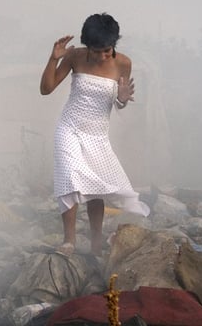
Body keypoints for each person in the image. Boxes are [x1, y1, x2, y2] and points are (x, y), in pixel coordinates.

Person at [40, 13, 150, 257]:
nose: (102, 56)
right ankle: (69, 241)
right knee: (69, 178)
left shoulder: (123, 63)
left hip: (97, 135)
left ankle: (96, 244)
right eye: (96, 51)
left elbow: (120, 104)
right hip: (69, 128)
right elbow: (46, 89)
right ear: (86, 46)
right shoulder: (74, 56)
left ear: (114, 46)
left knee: (96, 188)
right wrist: (53, 59)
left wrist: (121, 100)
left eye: (107, 50)